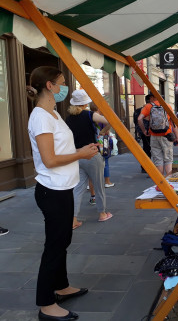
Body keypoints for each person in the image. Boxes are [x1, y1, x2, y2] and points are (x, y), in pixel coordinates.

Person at [27, 66, 96, 320]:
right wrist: (81, 154)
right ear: (50, 86)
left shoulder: (53, 113)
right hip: (52, 190)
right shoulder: (40, 117)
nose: (64, 88)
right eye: (62, 83)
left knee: (62, 241)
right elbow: (49, 159)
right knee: (54, 246)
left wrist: (82, 149)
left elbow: (61, 150)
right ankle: (46, 304)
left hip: (63, 187)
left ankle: (62, 286)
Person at [66, 90, 114, 229]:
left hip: (77, 155)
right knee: (99, 185)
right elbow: (110, 120)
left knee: (78, 188)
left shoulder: (69, 118)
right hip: (92, 154)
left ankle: (74, 219)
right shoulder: (89, 114)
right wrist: (104, 131)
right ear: (85, 102)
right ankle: (102, 214)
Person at [138, 91, 178, 175]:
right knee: (168, 159)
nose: (149, 99)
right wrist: (177, 137)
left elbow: (139, 119)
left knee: (158, 160)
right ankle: (168, 184)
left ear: (153, 97)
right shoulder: (168, 106)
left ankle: (161, 184)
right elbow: (173, 124)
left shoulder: (148, 106)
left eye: (150, 97)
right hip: (166, 136)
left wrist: (144, 131)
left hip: (154, 136)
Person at [134, 95, 151, 173]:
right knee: (150, 149)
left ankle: (144, 166)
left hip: (141, 132)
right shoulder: (149, 110)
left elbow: (135, 122)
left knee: (145, 148)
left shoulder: (137, 110)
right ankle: (148, 166)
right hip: (149, 132)